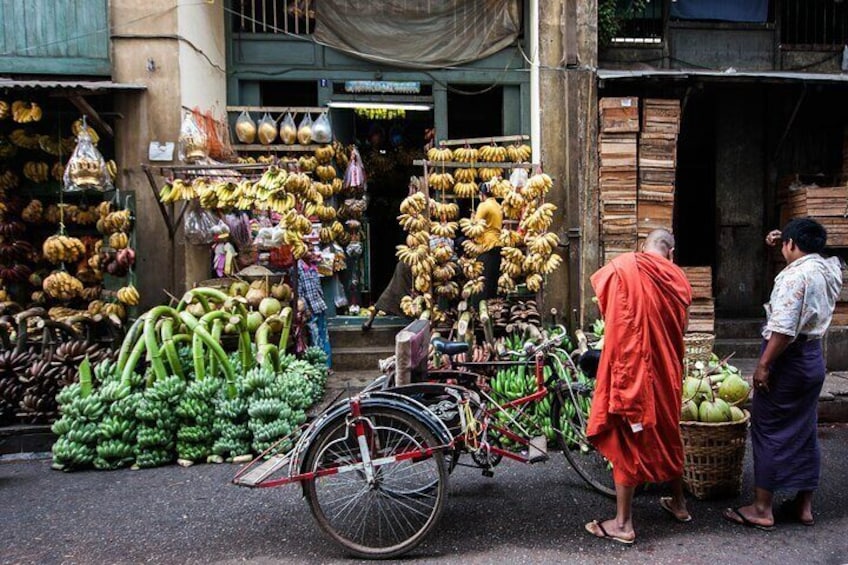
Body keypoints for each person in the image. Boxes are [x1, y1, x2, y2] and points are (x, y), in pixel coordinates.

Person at [723, 218, 842, 531]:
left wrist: (764, 364)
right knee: (804, 428)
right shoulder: (829, 269)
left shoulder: (794, 277)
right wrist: (784, 238)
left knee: (769, 428)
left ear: (791, 244)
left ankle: (762, 508)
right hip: (813, 358)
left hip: (787, 358)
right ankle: (804, 506)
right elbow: (806, 251)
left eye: (786, 244)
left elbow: (784, 328)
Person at [584, 228, 693, 545]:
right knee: (668, 433)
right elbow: (682, 328)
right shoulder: (679, 279)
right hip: (667, 371)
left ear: (642, 248)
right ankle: (680, 504)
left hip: (635, 371)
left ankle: (623, 523)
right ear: (671, 253)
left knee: (628, 440)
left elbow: (609, 313)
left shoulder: (626, 267)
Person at [298, 251, 332, 367]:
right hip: (309, 310)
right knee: (314, 338)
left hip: (319, 306)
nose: (312, 252)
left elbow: (318, 289)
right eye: (309, 250)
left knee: (324, 337)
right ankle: (319, 366)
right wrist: (306, 310)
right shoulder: (298, 268)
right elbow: (300, 293)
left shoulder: (313, 266)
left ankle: (327, 365)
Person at [361, 260, 412, 331]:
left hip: (410, 271)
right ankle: (370, 320)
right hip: (405, 269)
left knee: (391, 293)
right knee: (390, 293)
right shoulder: (406, 259)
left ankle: (370, 320)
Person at [474, 181, 503, 301]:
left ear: (482, 194)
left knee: (482, 281)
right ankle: (492, 307)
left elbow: (476, 225)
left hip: (486, 245)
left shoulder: (484, 205)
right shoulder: (498, 205)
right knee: (492, 280)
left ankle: (479, 308)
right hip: (498, 244)